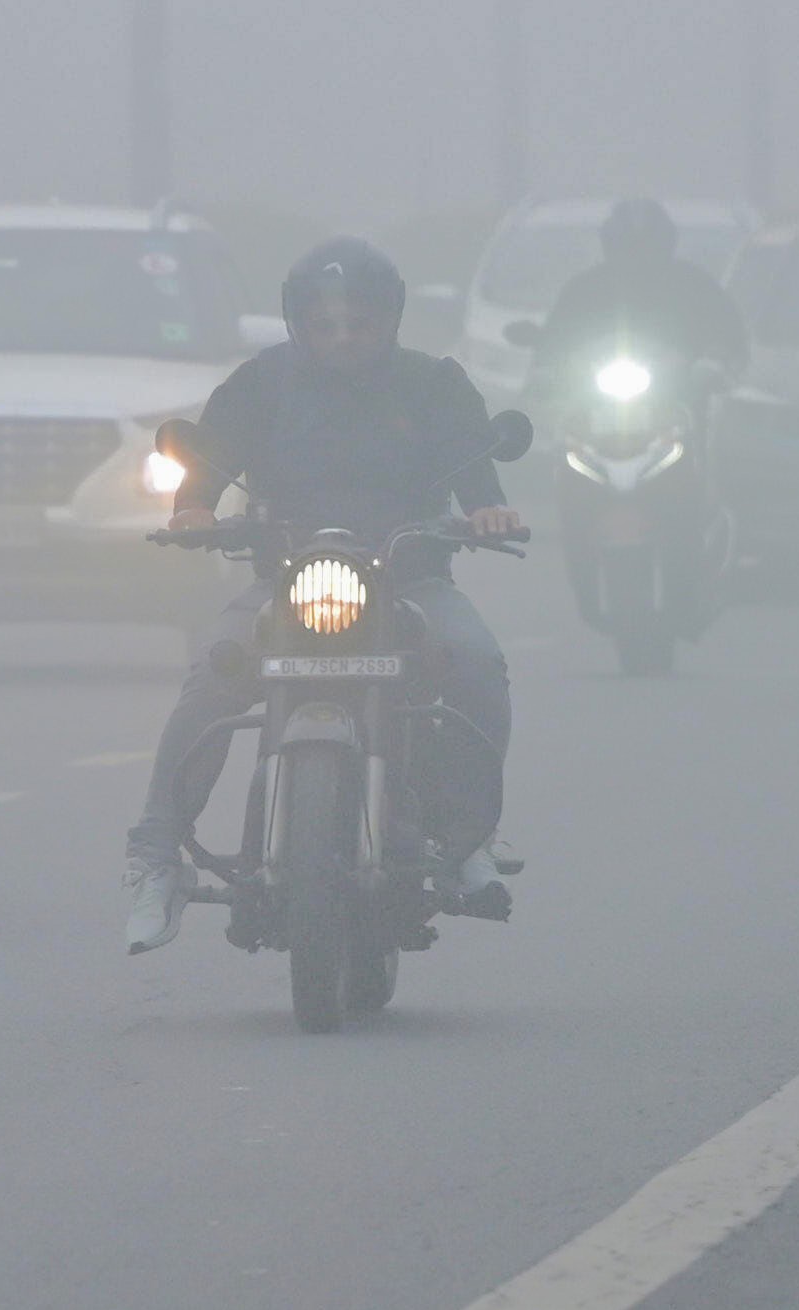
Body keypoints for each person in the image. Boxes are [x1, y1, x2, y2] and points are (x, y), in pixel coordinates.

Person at [124, 237, 523, 955]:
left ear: (390, 320)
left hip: (411, 582)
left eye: (359, 324)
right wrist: (193, 509)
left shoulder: (434, 384)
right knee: (212, 675)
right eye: (325, 325)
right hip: (285, 585)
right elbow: (208, 461)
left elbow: (474, 471)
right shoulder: (261, 383)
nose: (343, 338)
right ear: (298, 324)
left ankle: (469, 841)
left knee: (475, 664)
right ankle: (155, 857)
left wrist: (489, 511)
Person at [532, 196, 750, 401]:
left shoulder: (696, 286)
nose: (637, 256)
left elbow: (727, 332)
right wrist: (548, 367)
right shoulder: (584, 290)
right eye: (628, 245)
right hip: (589, 398)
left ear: (665, 244)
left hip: (679, 395)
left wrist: (713, 360)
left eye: (647, 246)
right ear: (610, 244)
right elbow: (557, 335)